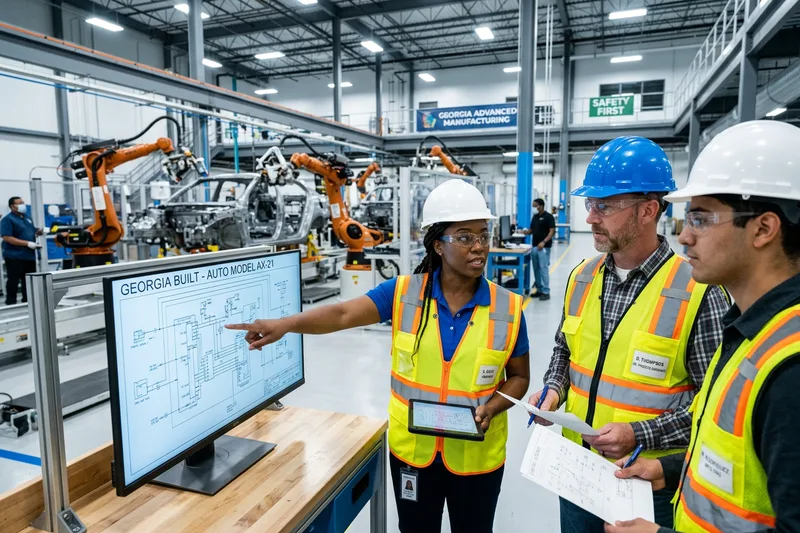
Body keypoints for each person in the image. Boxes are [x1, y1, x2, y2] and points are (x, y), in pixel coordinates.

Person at [226, 179, 530, 533]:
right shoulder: (401, 294)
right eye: (464, 237)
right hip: (414, 454)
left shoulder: (507, 308)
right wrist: (286, 324)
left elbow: (520, 377)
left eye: (483, 235)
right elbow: (342, 314)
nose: (479, 247)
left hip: (477, 458)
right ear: (438, 245)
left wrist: (491, 408)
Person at [604, 121, 800, 533]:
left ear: (764, 228)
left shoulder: (791, 370)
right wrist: (668, 469)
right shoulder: (749, 332)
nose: (685, 236)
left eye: (701, 218)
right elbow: (734, 465)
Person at [527, 136, 729, 533]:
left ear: (648, 211)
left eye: (604, 206)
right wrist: (553, 389)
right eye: (591, 205)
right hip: (575, 473)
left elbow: (713, 412)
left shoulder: (699, 292)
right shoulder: (581, 277)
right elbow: (563, 350)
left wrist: (638, 433)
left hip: (645, 483)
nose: (590, 218)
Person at [1, 197, 42, 305]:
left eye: (23, 203)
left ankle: (28, 301)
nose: (23, 205)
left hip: (29, 255)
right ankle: (11, 303)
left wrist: (38, 232)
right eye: (19, 203)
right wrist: (27, 243)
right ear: (12, 206)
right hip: (15, 256)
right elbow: (7, 237)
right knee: (13, 280)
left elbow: (31, 231)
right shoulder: (8, 220)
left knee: (28, 281)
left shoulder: (27, 218)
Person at [522, 198, 555, 300]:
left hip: (543, 247)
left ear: (541, 205)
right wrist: (526, 232)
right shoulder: (535, 217)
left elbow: (552, 231)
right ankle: (539, 289)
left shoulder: (549, 217)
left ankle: (546, 291)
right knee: (536, 269)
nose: (534, 208)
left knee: (543, 269)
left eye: (535, 205)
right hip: (535, 246)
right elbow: (532, 229)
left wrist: (544, 242)